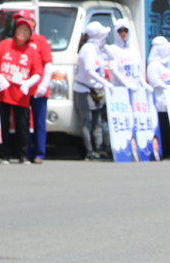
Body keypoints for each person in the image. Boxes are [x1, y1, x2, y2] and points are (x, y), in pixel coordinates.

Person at [0, 11, 42, 164]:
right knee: (3, 124)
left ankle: (23, 154)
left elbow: (38, 72)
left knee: (22, 125)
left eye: (25, 30)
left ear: (30, 34)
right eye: (20, 29)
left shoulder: (32, 52)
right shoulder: (4, 45)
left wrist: (29, 83)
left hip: (21, 95)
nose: (22, 33)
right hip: (4, 92)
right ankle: (4, 154)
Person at [19, 10, 51, 164]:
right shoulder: (19, 40)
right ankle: (27, 152)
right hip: (23, 89)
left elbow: (48, 64)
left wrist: (44, 84)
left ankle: (39, 153)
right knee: (25, 122)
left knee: (39, 121)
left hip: (38, 89)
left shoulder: (40, 41)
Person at [74, 21, 109, 161]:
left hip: (96, 89)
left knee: (97, 121)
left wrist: (105, 46)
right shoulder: (88, 48)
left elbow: (111, 57)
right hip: (84, 90)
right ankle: (89, 151)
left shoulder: (97, 48)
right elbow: (89, 70)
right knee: (86, 121)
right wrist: (104, 82)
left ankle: (99, 149)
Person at [145, 36, 170, 158]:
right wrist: (169, 88)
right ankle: (165, 152)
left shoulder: (168, 64)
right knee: (162, 128)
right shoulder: (153, 65)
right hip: (158, 102)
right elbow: (155, 82)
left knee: (169, 128)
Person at [105, 19, 143, 90]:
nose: (123, 33)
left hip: (134, 88)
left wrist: (143, 83)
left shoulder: (132, 48)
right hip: (120, 88)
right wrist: (126, 84)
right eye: (120, 31)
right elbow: (113, 69)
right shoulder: (113, 48)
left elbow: (136, 69)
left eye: (125, 30)